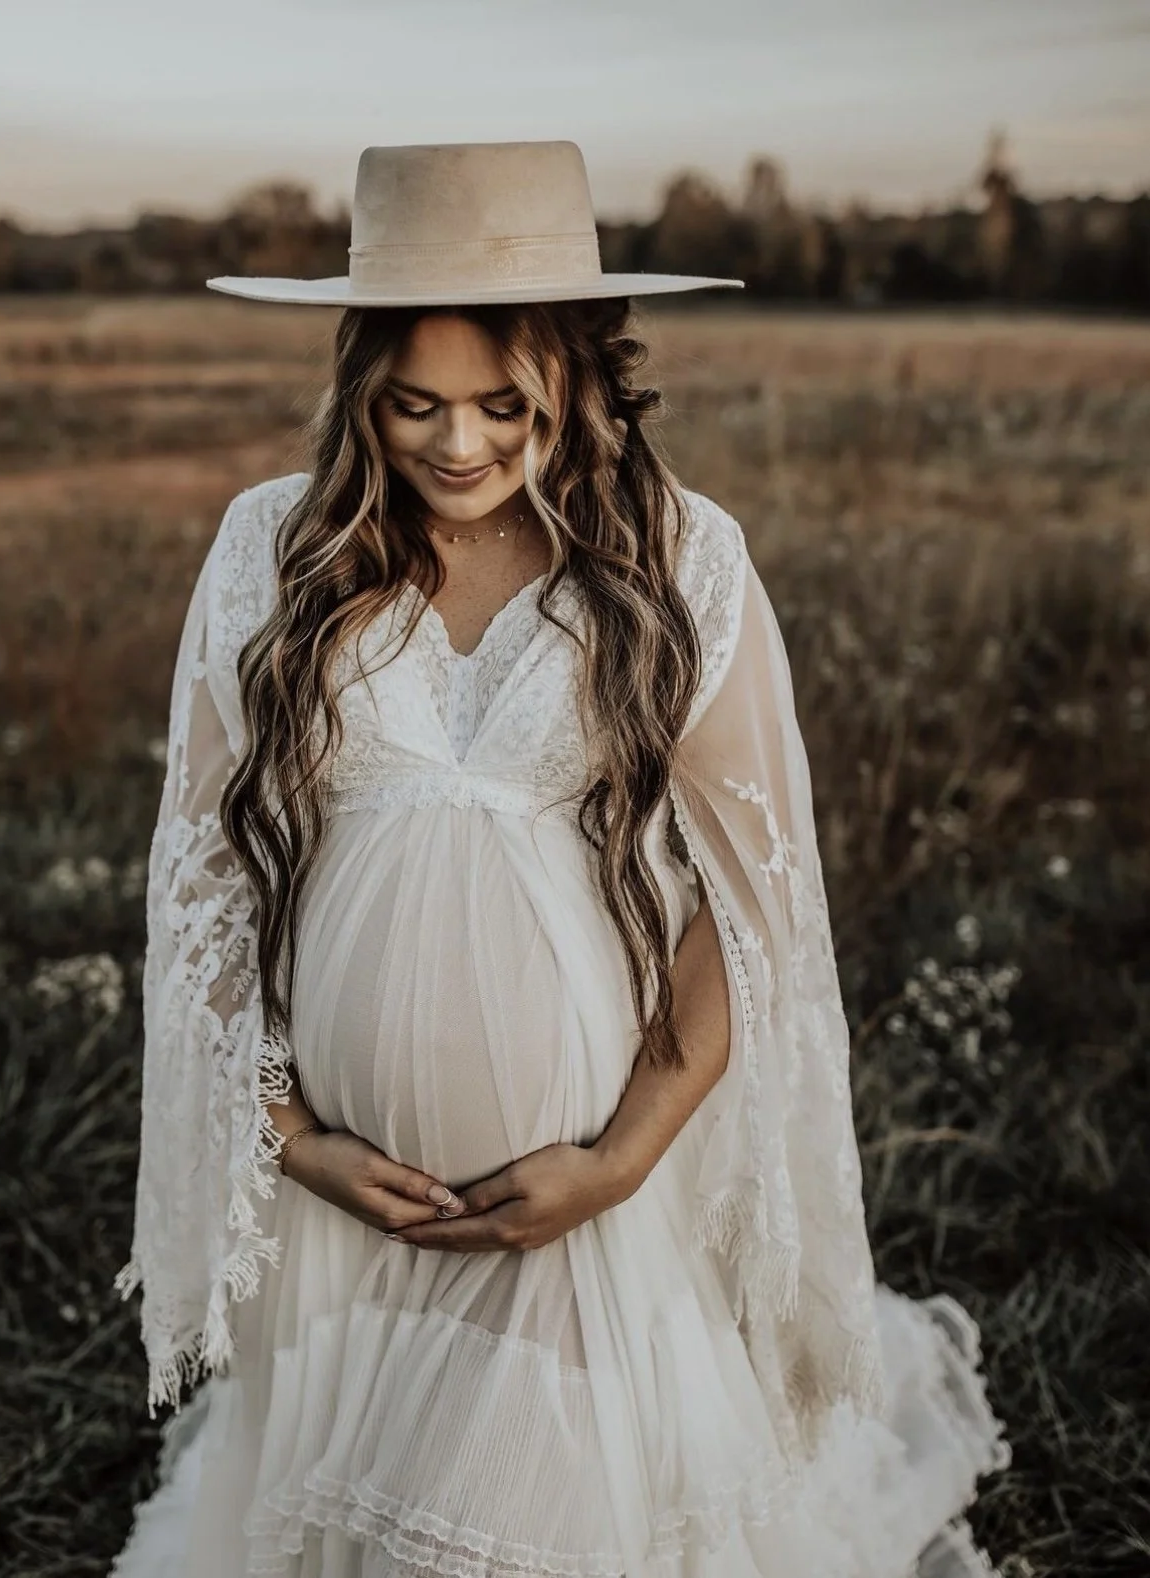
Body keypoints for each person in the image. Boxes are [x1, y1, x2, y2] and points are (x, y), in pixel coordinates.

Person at [109, 141, 1009, 1578]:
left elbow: (751, 893)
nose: (457, 445)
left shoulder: (677, 559)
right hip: (352, 1203)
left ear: (583, 381)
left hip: (580, 1198)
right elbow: (202, 884)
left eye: (503, 406)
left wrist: (624, 1154)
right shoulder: (269, 552)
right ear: (359, 389)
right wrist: (292, 1138)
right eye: (414, 405)